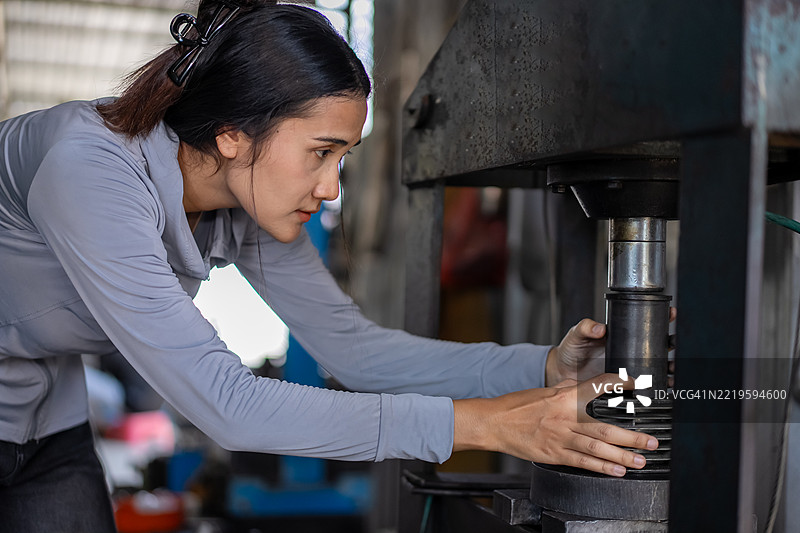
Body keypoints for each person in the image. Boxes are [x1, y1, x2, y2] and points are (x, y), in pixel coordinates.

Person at [0, 1, 658, 531]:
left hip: (46, 417)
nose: (332, 187)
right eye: (321, 152)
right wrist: (489, 423)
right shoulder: (89, 172)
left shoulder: (243, 196)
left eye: (342, 157)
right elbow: (228, 404)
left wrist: (536, 367)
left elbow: (356, 353)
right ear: (233, 133)